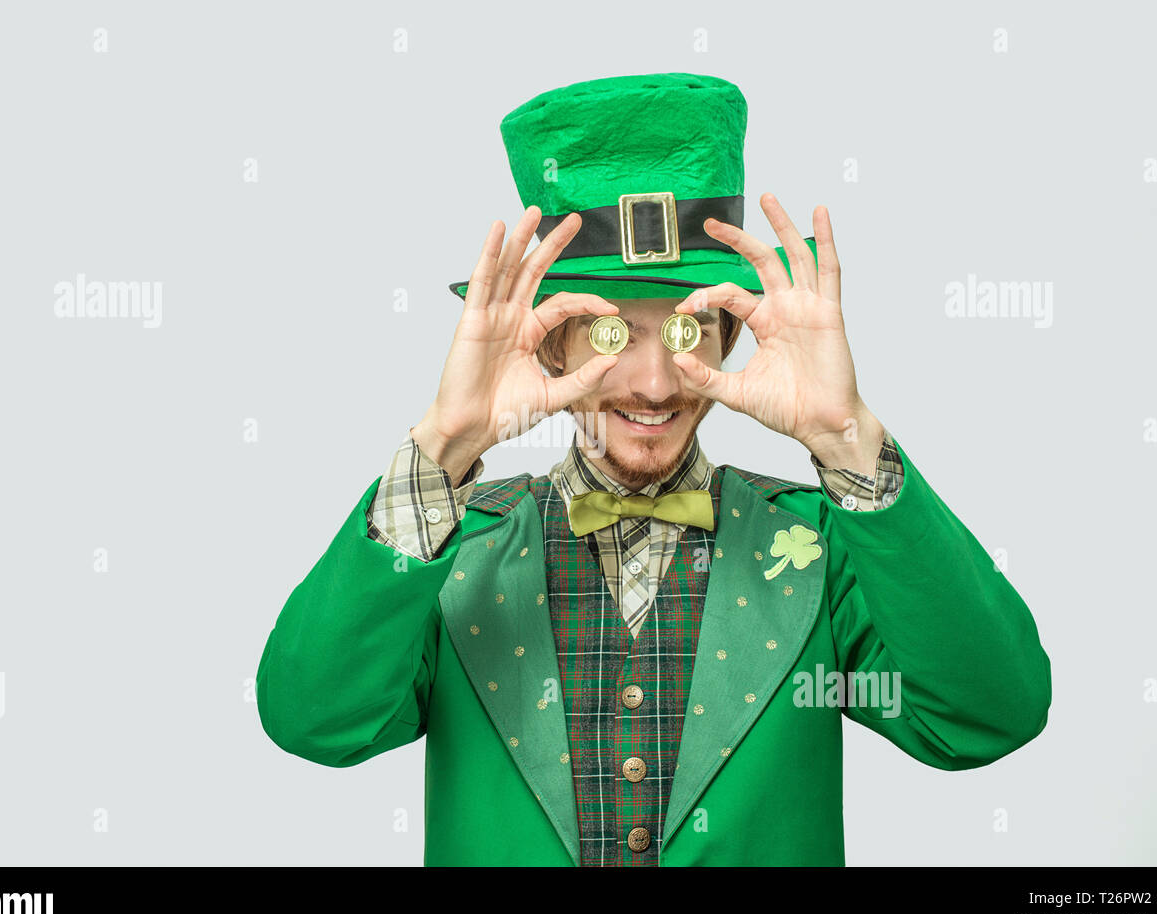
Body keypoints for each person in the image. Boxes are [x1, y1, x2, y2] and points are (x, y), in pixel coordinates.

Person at [254, 73, 1051, 866]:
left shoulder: (822, 551)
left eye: (687, 328)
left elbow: (986, 715)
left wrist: (847, 440)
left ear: (730, 335)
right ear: (550, 343)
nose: (654, 384)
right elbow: (314, 718)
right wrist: (446, 446)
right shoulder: (448, 552)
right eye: (609, 334)